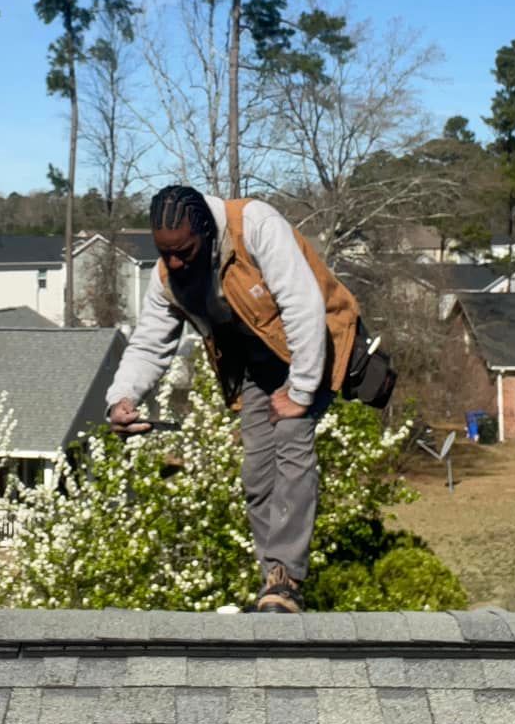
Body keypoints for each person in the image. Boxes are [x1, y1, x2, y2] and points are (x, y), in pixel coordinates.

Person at [106, 184, 361, 613]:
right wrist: (122, 397)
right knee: (257, 474)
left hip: (311, 347)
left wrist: (299, 393)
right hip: (257, 368)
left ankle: (287, 579)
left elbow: (303, 306)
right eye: (164, 252)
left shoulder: (256, 226)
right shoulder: (168, 276)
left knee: (292, 446)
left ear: (206, 231)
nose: (174, 261)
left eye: (184, 251)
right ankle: (272, 581)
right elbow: (150, 342)